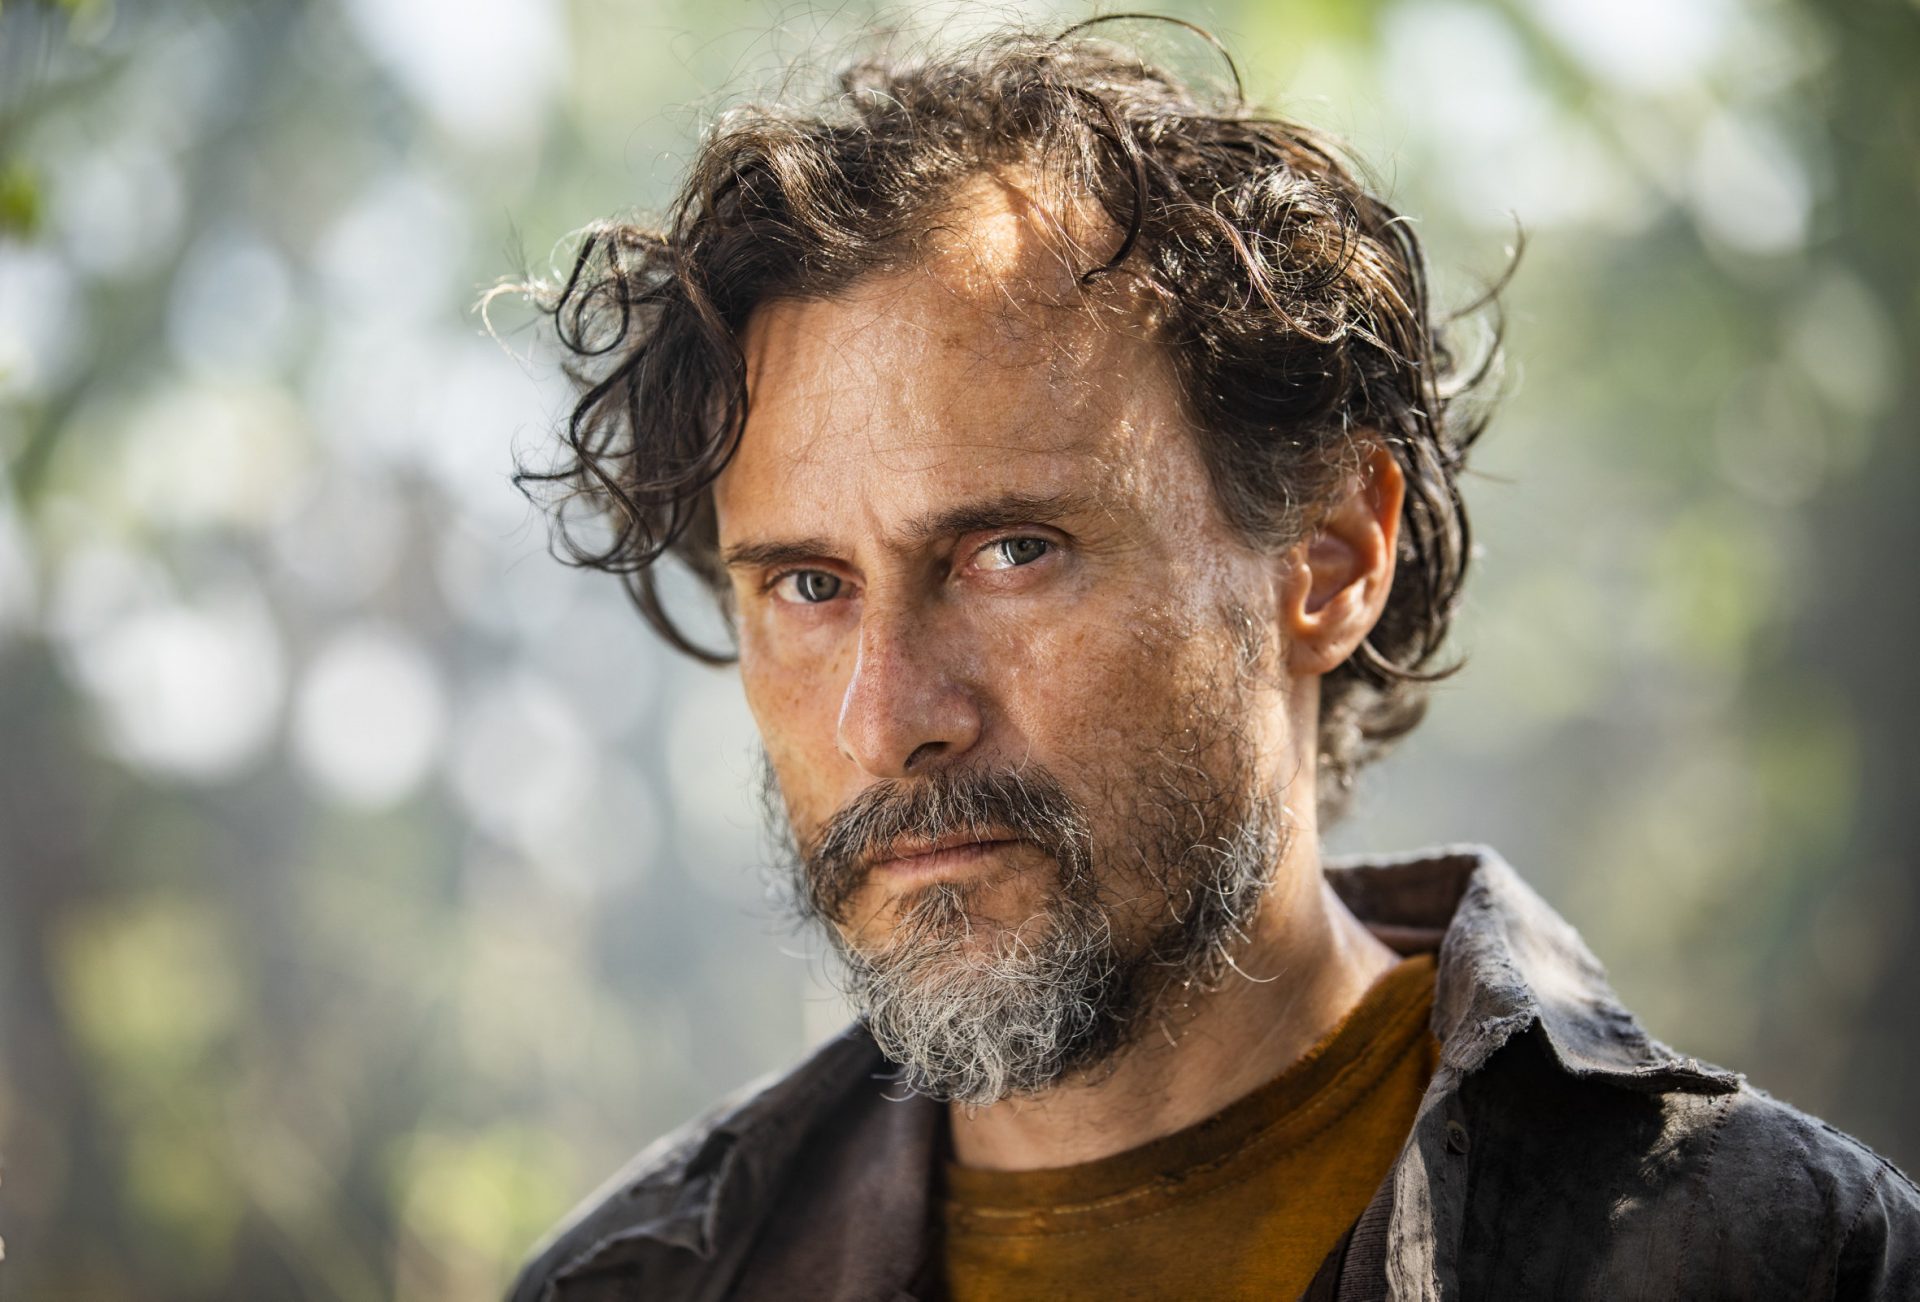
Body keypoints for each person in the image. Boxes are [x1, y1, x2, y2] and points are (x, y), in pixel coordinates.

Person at [503, 19, 1918, 1301]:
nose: (887, 720)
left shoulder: (1782, 1262)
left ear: (1332, 557)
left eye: (1010, 552)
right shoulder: (629, 1288)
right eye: (809, 586)